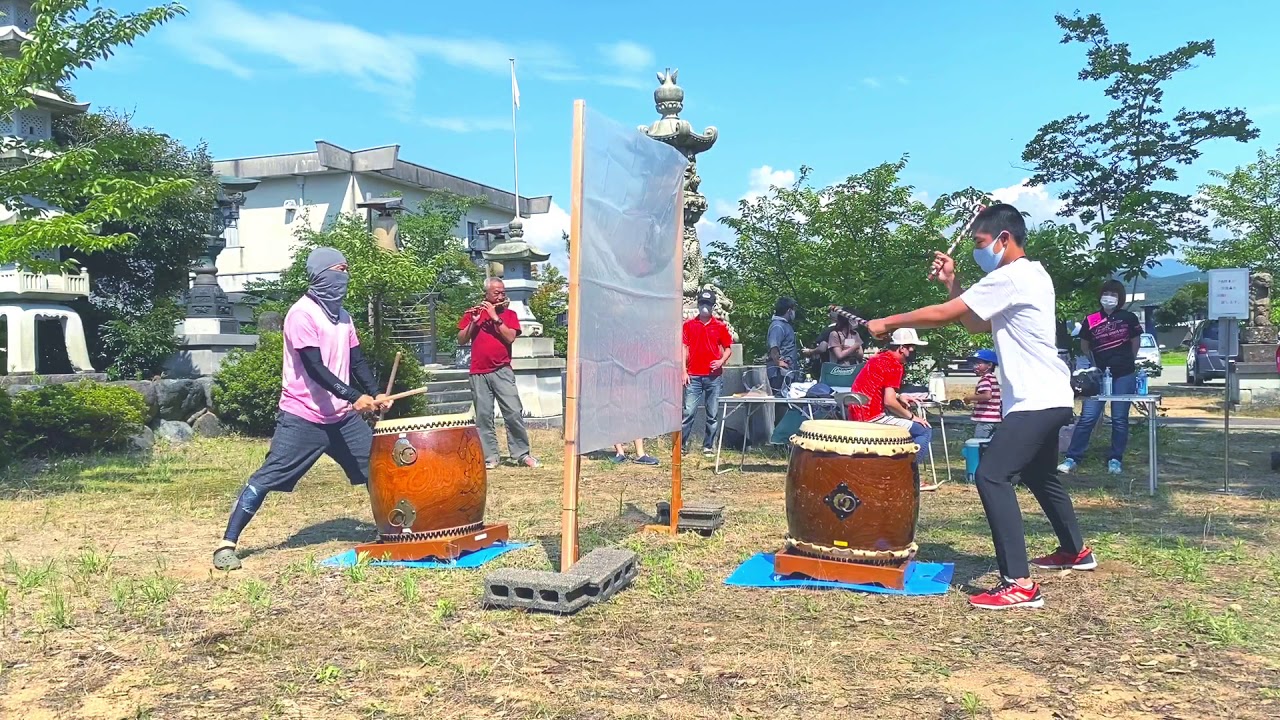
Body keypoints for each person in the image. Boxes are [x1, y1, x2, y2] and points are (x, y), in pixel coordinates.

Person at [866, 203, 1095, 610]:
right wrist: (952, 281)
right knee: (1040, 475)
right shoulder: (1033, 275)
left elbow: (944, 315)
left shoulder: (1010, 276)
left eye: (980, 242)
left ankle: (1019, 583)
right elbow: (973, 322)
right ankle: (1075, 551)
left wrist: (888, 322)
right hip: (1053, 396)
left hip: (1035, 400)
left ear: (1003, 239)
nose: (977, 250)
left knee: (991, 476)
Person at [213, 248, 392, 571]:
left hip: (342, 418)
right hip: (302, 417)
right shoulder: (301, 314)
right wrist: (355, 396)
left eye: (346, 270)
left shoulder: (344, 316)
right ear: (322, 274)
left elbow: (357, 361)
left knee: (378, 469)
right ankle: (227, 544)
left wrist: (376, 392)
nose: (345, 276)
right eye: (339, 269)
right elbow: (315, 368)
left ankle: (390, 530)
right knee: (267, 477)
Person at [1059, 279, 1143, 475]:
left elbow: (1135, 342)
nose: (1109, 298)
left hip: (1124, 374)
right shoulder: (1092, 319)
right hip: (1097, 376)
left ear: (1120, 298)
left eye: (1114, 294)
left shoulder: (1129, 318)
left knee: (1119, 418)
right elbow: (1084, 345)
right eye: (1106, 294)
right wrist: (1095, 363)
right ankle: (1072, 457)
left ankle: (1115, 459)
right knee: (1088, 417)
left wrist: (1128, 361)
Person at [458, 277, 539, 469]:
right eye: (496, 293)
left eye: (503, 292)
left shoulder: (509, 314)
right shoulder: (473, 313)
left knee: (513, 412)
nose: (501, 296)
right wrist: (474, 323)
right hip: (478, 372)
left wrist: (495, 317)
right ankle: (490, 457)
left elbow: (510, 337)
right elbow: (461, 339)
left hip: (502, 370)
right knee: (483, 416)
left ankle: (521, 454)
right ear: (486, 294)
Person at [848, 329, 933, 465]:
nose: (914, 351)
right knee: (924, 430)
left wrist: (899, 396)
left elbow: (878, 388)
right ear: (902, 348)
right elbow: (889, 402)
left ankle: (892, 465)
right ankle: (907, 472)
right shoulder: (894, 365)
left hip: (856, 417)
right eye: (912, 347)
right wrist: (912, 417)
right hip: (873, 418)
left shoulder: (878, 358)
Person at [682, 289, 734, 456]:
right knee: (688, 412)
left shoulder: (720, 326)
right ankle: (681, 446)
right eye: (703, 303)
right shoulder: (688, 325)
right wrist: (683, 371)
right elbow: (683, 348)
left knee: (712, 413)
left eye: (708, 304)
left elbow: (728, 348)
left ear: (713, 306)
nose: (705, 307)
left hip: (714, 377)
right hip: (693, 375)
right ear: (698, 304)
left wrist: (720, 361)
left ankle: (708, 446)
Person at [766, 297, 824, 395]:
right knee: (780, 398)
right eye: (793, 310)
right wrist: (778, 362)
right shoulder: (777, 326)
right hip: (779, 373)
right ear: (789, 310)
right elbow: (774, 346)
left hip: (788, 371)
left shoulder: (785, 325)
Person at [965, 349, 1002, 439]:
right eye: (974, 364)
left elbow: (987, 396)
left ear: (989, 365)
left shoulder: (985, 379)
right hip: (994, 419)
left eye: (978, 364)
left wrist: (969, 397)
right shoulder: (993, 378)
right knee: (990, 443)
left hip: (985, 420)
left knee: (978, 442)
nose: (975, 367)